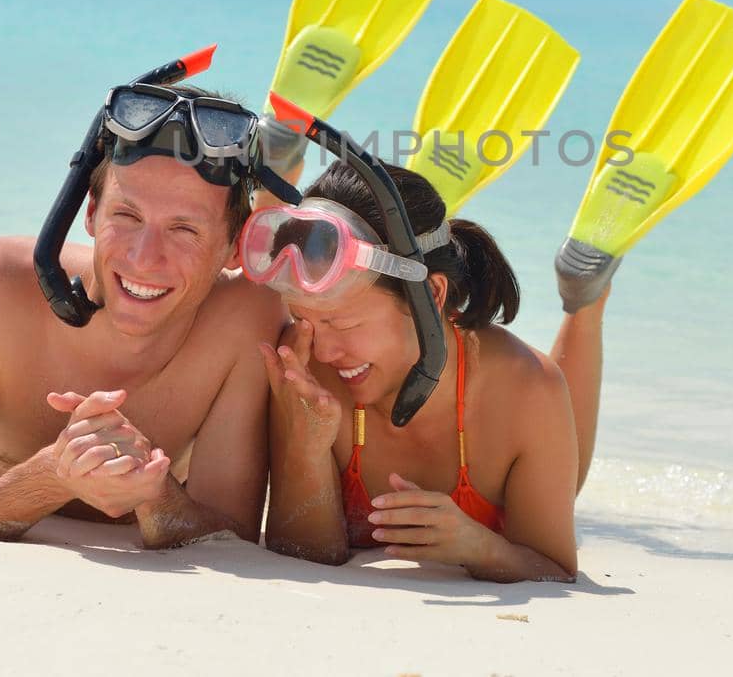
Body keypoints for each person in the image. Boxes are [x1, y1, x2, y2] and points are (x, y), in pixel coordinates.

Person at [0, 70, 290, 545]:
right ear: (90, 212)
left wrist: (156, 496)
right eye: (126, 216)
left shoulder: (248, 317)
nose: (142, 258)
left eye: (184, 230)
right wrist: (51, 477)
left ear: (238, 245)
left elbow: (231, 534)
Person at [249, 157, 608, 583]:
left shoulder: (524, 388)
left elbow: (555, 570)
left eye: (344, 323)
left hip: (525, 397)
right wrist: (305, 447)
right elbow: (305, 552)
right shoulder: (306, 367)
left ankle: (584, 296)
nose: (323, 351)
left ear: (433, 293)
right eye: (304, 320)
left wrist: (480, 546)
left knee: (568, 472)